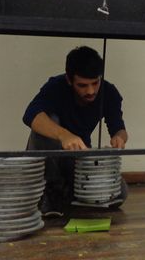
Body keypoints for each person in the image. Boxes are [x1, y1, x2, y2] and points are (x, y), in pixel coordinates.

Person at [23, 46, 128, 216]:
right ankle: (48, 192)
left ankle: (65, 195)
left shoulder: (109, 92)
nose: (90, 91)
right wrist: (64, 135)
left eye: (95, 83)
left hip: (79, 160)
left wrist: (119, 138)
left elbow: (119, 128)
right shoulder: (55, 86)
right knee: (47, 121)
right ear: (69, 80)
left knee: (120, 193)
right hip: (48, 161)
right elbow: (31, 115)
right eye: (82, 85)